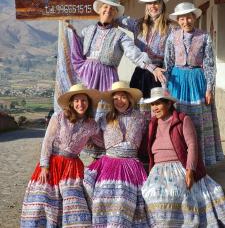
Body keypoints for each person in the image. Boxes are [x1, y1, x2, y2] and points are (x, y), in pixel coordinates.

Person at [21, 84, 103, 227]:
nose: (80, 104)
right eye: (77, 100)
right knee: (44, 199)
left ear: (88, 103)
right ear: (71, 103)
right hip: (53, 163)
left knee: (72, 201)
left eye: (84, 100)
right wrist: (44, 166)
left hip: (72, 166)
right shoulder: (59, 117)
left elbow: (101, 142)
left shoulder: (92, 125)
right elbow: (47, 142)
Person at [142, 87, 225, 227]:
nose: (155, 107)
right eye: (153, 104)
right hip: (158, 170)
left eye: (158, 103)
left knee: (178, 192)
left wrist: (190, 170)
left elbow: (192, 145)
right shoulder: (152, 124)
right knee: (151, 193)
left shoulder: (182, 120)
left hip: (179, 166)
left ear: (168, 104)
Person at [83, 81, 155, 227]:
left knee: (126, 199)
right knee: (101, 196)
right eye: (115, 98)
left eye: (122, 97)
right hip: (109, 164)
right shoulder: (104, 119)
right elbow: (97, 139)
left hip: (131, 166)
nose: (119, 101)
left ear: (129, 98)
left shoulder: (140, 118)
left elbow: (149, 138)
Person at [164, 2, 224, 165]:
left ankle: (199, 162)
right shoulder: (172, 37)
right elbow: (168, 63)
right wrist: (165, 88)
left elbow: (210, 64)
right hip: (177, 81)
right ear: (177, 20)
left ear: (194, 17)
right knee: (178, 119)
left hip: (197, 81)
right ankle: (179, 159)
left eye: (188, 17)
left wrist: (209, 88)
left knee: (198, 121)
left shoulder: (204, 37)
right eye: (181, 18)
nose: (185, 21)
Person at [66, 0, 166, 92]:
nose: (108, 10)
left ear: (115, 14)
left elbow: (134, 53)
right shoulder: (87, 31)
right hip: (87, 75)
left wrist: (152, 68)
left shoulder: (120, 36)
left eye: (112, 9)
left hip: (107, 77)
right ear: (100, 10)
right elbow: (77, 50)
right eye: (105, 7)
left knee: (105, 105)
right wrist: (72, 32)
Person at [117, 0, 178, 98]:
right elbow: (117, 18)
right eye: (150, 3)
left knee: (157, 110)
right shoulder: (138, 24)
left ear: (162, 5)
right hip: (140, 73)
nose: (153, 6)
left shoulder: (172, 28)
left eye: (156, 2)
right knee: (138, 108)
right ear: (146, 6)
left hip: (160, 74)